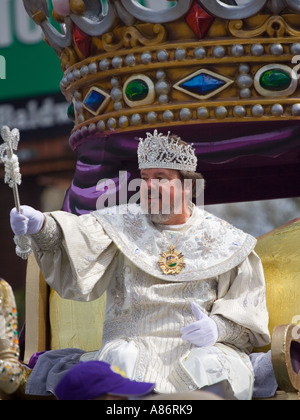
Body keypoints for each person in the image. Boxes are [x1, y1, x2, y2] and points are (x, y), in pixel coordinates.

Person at [9, 130, 270, 400]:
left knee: (211, 365)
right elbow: (78, 236)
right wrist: (41, 225)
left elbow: (246, 314)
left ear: (188, 187)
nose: (149, 187)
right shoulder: (120, 224)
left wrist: (218, 329)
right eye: (145, 178)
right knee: (123, 358)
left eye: (161, 178)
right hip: (130, 344)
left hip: (200, 348)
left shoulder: (227, 241)